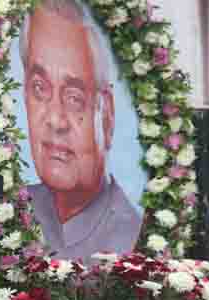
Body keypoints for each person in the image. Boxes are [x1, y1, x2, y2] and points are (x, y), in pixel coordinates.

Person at [19, 0, 142, 263]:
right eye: (39, 87)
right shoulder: (13, 214)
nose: (55, 120)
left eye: (74, 97)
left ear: (106, 115)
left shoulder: (133, 238)